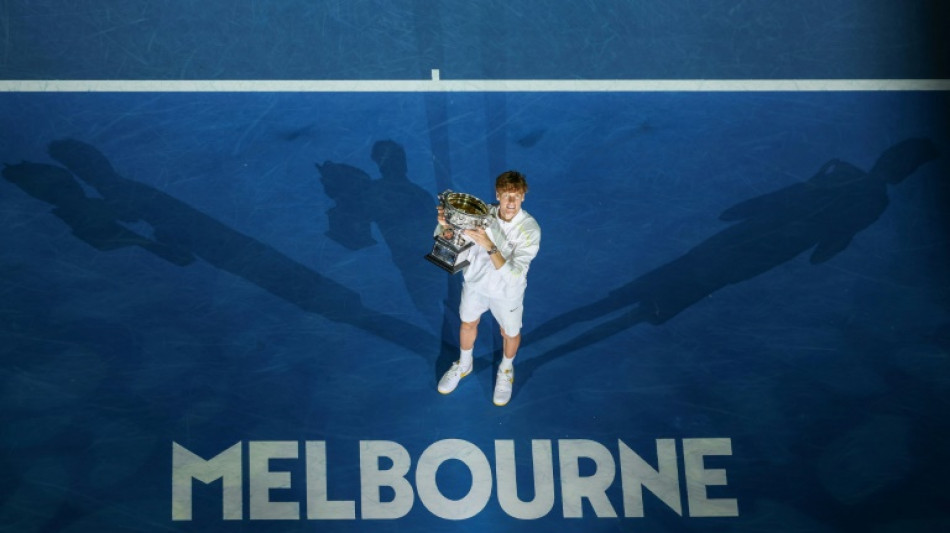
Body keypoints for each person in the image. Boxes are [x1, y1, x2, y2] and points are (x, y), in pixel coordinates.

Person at [436, 171, 541, 406]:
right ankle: (464, 364)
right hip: (475, 285)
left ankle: (506, 370)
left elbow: (514, 277)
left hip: (507, 294)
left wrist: (489, 245)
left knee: (509, 333)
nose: (511, 202)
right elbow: (451, 249)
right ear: (497, 195)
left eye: (516, 196)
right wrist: (446, 228)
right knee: (467, 323)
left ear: (523, 197)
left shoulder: (530, 230)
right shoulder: (479, 215)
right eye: (506, 195)